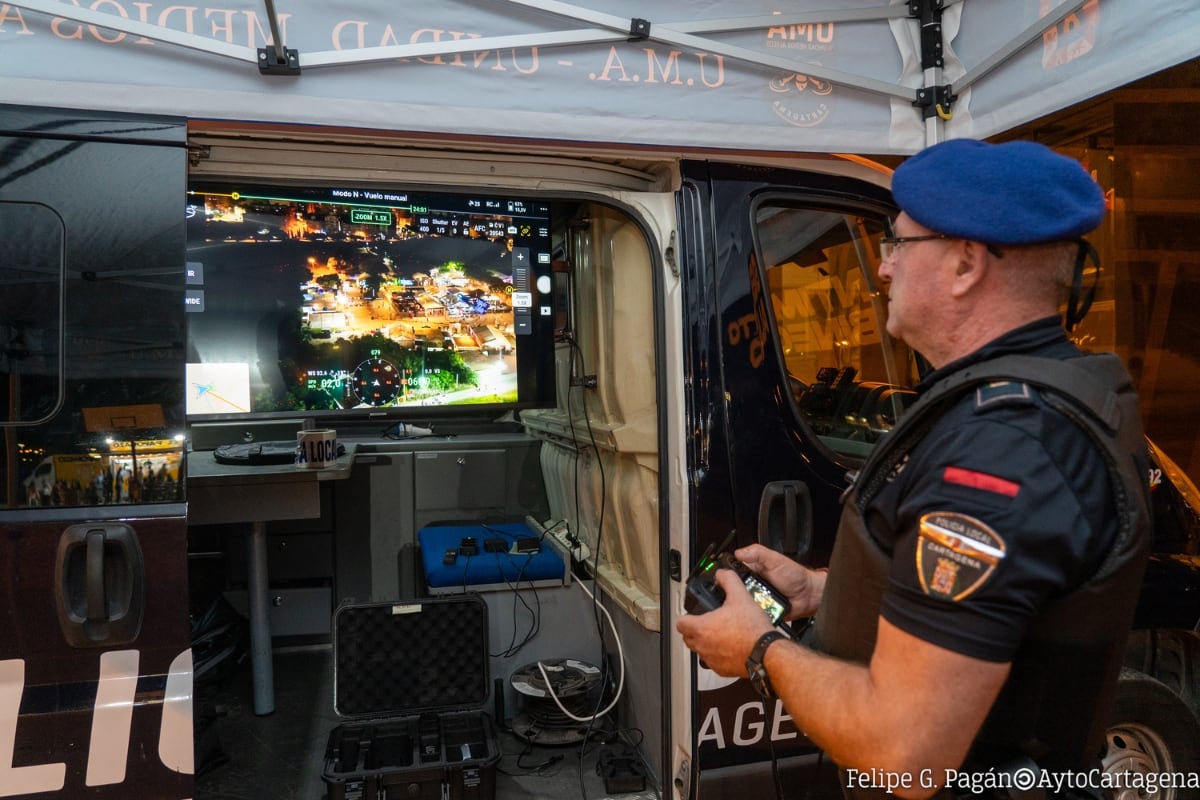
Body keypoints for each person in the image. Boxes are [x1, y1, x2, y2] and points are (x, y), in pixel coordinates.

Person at [677, 138, 1151, 800]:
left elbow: (906, 752)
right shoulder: (1038, 396)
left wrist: (758, 651)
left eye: (898, 243)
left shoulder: (1002, 447)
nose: (883, 267)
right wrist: (825, 590)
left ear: (964, 264)